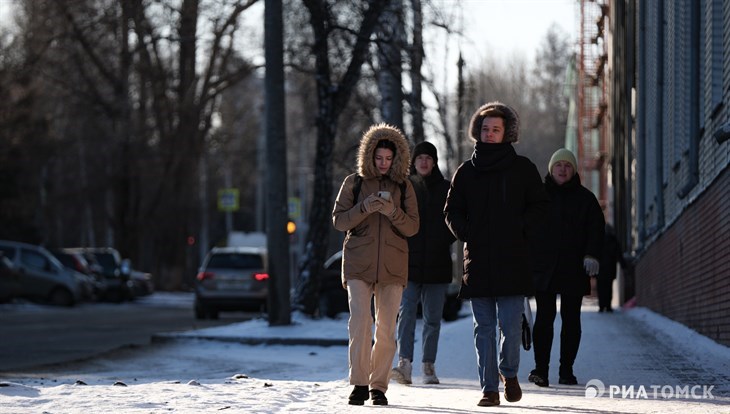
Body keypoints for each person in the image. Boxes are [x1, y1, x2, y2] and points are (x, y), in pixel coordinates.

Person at [444, 102, 549, 407]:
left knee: (511, 325)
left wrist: (519, 227)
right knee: (483, 329)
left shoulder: (523, 169)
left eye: (496, 130)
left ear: (507, 134)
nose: (490, 134)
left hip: (513, 260)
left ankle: (509, 373)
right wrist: (467, 231)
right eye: (486, 129)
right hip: (477, 261)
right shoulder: (465, 172)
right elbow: (451, 210)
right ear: (478, 131)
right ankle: (489, 388)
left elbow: (540, 206)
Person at [332, 123, 419, 406]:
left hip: (393, 266)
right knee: (360, 322)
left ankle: (378, 387)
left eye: (388, 159)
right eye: (378, 158)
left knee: (385, 329)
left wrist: (392, 211)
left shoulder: (405, 186)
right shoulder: (353, 183)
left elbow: (413, 227)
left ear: (396, 159)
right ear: (369, 156)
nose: (383, 163)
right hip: (358, 262)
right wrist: (364, 208)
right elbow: (339, 220)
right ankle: (359, 383)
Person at [528, 148, 605, 388]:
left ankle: (566, 371)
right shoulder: (537, 196)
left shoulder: (585, 199)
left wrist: (592, 254)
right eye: (558, 165)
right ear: (551, 169)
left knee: (571, 320)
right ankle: (541, 370)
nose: (563, 169)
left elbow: (596, 229)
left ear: (573, 170)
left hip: (573, 267)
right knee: (544, 319)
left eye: (567, 165)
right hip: (544, 267)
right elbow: (526, 229)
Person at [391, 141, 456, 385]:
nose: (424, 162)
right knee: (406, 313)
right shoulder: (405, 188)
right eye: (420, 158)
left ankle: (428, 366)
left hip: (438, 264)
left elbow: (455, 221)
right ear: (413, 162)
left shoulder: (447, 189)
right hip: (408, 264)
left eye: (429, 158)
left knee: (432, 318)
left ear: (434, 161)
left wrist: (442, 240)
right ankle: (404, 364)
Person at [598, 223, 626, 312]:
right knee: (608, 287)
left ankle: (602, 306)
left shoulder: (599, 240)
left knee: (601, 287)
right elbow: (619, 254)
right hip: (610, 267)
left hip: (600, 268)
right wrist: (623, 265)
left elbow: (594, 253)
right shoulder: (613, 240)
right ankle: (608, 305)